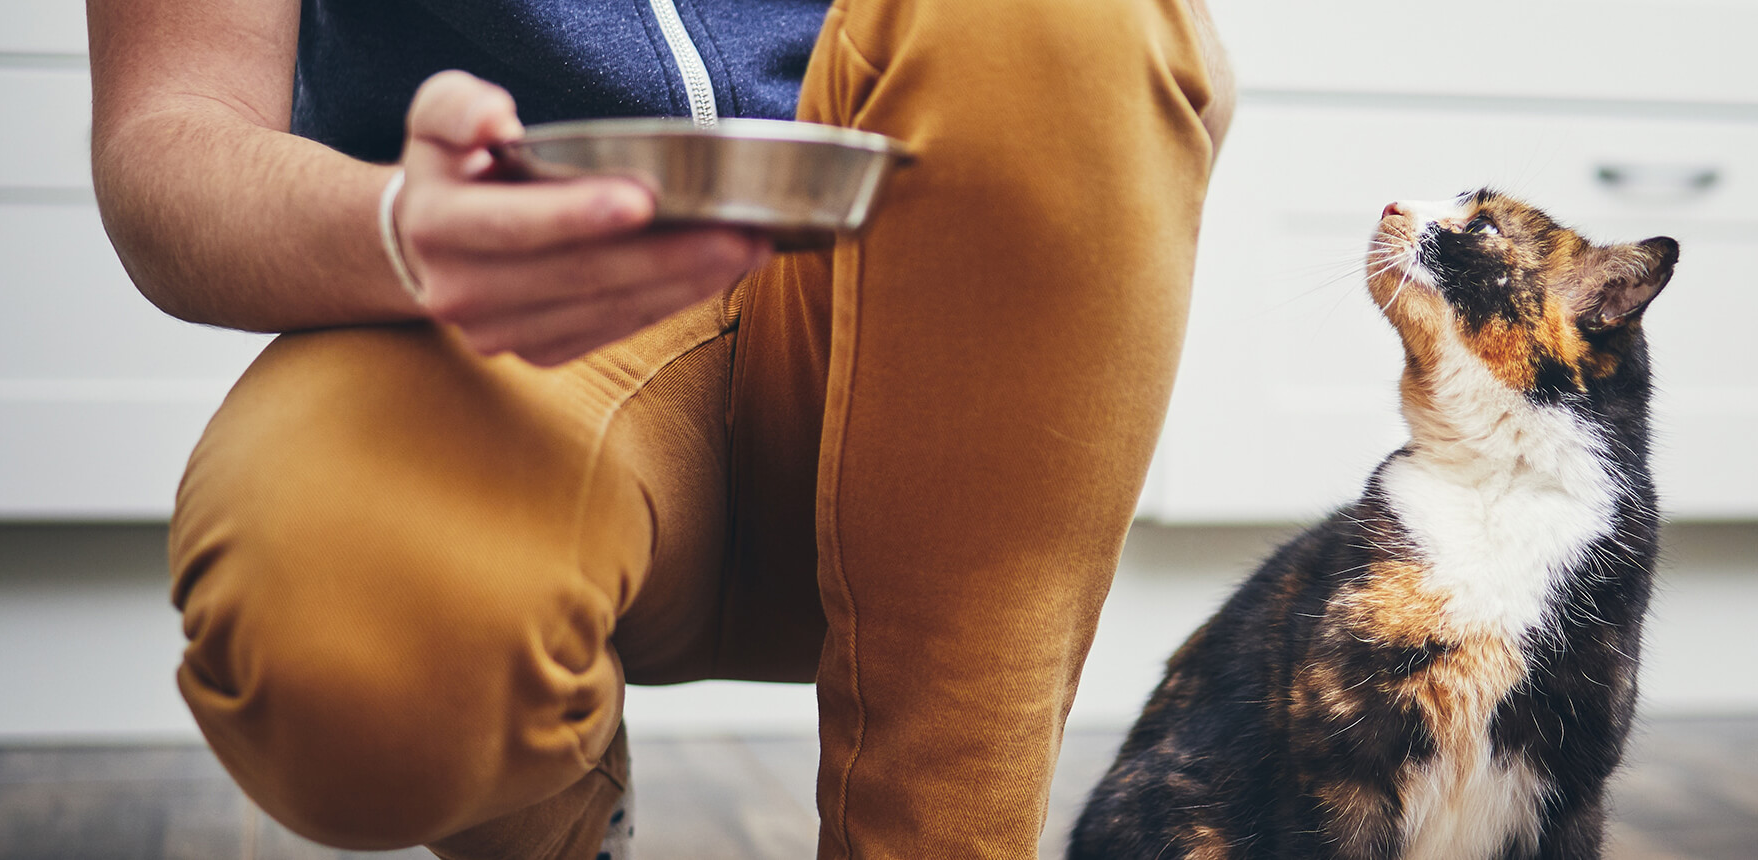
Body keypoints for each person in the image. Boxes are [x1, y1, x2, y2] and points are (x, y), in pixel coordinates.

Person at [87, 0, 1232, 857]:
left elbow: (1167, 67)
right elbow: (169, 133)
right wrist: (402, 227)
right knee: (347, 632)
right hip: (494, 318)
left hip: (905, 308)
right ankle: (566, 829)